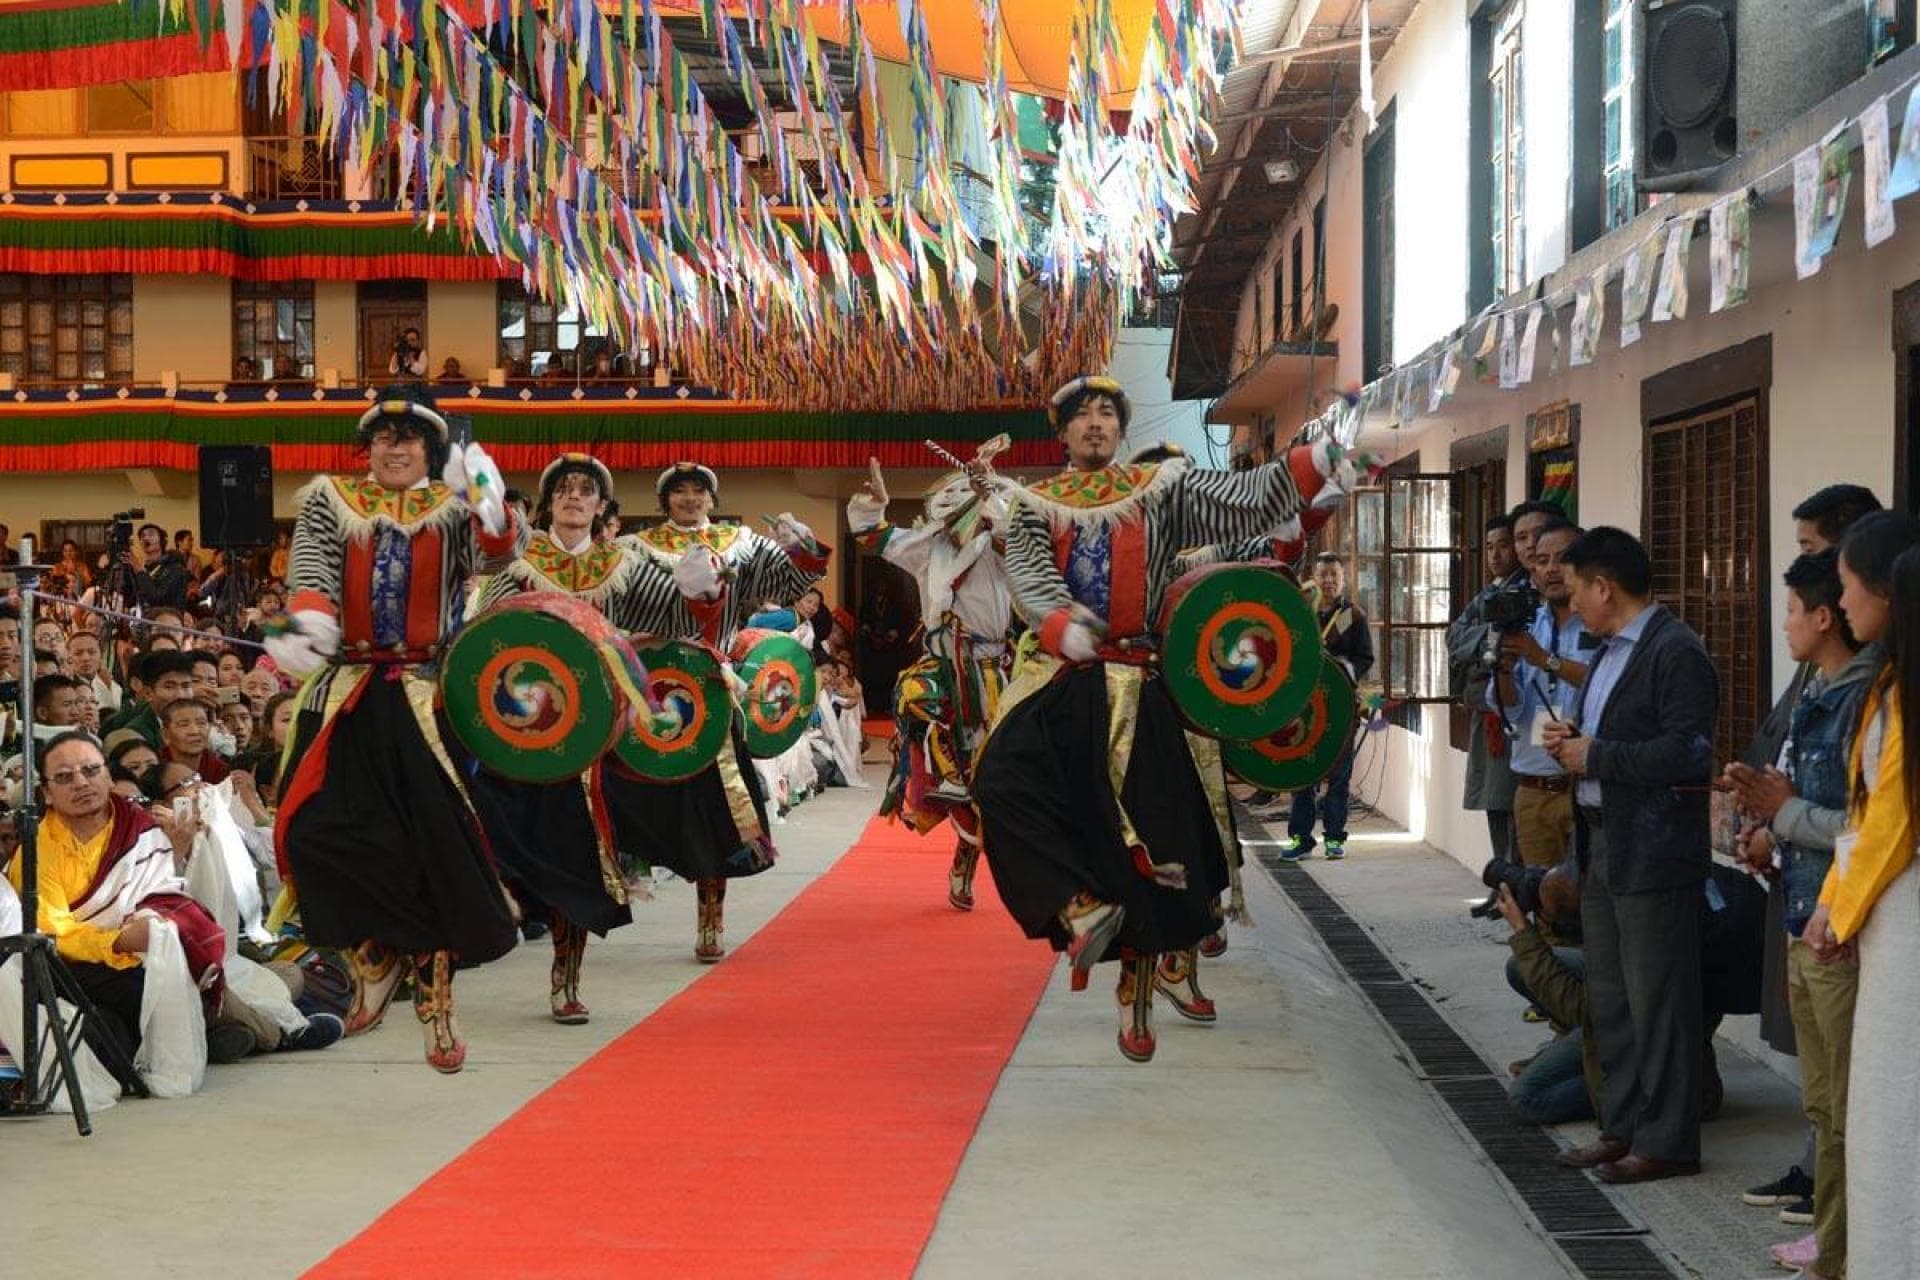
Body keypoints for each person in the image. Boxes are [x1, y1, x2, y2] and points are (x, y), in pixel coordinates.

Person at [971, 373, 1364, 1063]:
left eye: (1106, 413)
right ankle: (1075, 906)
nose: (1095, 423)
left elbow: (1239, 500)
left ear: (1119, 429)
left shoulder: (1162, 490)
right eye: (1081, 415)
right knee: (998, 779)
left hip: (1143, 680)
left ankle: (1142, 995)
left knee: (1161, 845)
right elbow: (1030, 575)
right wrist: (1058, 618)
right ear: (1061, 434)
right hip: (1064, 676)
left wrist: (1311, 463)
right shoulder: (1036, 504)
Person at [268, 386, 522, 1073]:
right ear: (367, 447)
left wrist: (493, 512)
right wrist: (308, 619)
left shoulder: (453, 505)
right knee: (312, 831)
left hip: (426, 696)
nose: (395, 446)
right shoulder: (330, 499)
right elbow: (311, 568)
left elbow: (499, 563)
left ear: (431, 451)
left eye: (410, 439)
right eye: (383, 436)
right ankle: (374, 960)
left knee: (432, 854)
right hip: (346, 692)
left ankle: (437, 1008)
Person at [467, 453, 685, 1022]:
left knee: (578, 859)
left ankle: (566, 978)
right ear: (548, 503)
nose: (573, 497)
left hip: (591, 738)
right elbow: (478, 633)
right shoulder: (518, 563)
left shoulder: (626, 565)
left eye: (585, 490)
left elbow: (673, 619)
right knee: (494, 830)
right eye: (563, 489)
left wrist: (700, 595)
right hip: (515, 728)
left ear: (601, 505)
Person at [1543, 527, 1717, 1185]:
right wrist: (1578, 744)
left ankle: (1668, 1140)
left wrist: (1599, 755)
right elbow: (1617, 740)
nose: (1573, 603)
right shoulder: (1611, 651)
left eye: (1577, 588)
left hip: (1654, 849)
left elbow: (1690, 751)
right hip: (1601, 839)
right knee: (1613, 999)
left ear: (1603, 586)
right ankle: (1622, 1127)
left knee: (1659, 1001)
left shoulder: (1676, 652)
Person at [1724, 548, 1876, 1279]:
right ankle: (1834, 1241)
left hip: (1837, 923)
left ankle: (1843, 1250)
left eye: (1793, 608)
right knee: (1820, 1101)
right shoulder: (1819, 687)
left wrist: (1782, 814)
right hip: (1803, 912)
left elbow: (1863, 826)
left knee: (1844, 1106)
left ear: (1825, 616)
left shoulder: (1864, 698)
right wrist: (1766, 815)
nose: (1783, 624)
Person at [611, 461, 829, 961]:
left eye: (698, 491)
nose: (690, 499)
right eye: (679, 491)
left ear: (712, 499)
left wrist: (801, 545)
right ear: (665, 501)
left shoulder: (741, 542)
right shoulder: (632, 549)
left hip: (713, 684)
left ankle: (711, 917)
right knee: (638, 791)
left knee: (717, 808)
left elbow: (795, 578)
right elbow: (600, 598)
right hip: (653, 691)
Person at [1802, 511, 1920, 1277]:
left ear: (1888, 591)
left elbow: (1891, 822)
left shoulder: (1902, 693)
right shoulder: (1889, 682)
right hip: (1884, 914)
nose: (1839, 604)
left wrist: (1834, 911)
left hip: (1904, 916)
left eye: (1846, 586)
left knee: (1895, 1110)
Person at [7, 733, 227, 1087]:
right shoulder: (36, 851)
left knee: (182, 957)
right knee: (141, 997)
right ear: (46, 793)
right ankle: (217, 1025)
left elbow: (166, 894)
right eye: (64, 777)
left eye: (91, 770)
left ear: (109, 777)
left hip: (140, 953)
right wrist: (119, 942)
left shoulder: (139, 827)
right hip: (73, 969)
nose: (81, 783)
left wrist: (180, 851)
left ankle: (214, 1022)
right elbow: (53, 934)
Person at [848, 455, 1015, 909]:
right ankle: (949, 782)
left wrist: (992, 497)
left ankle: (967, 857)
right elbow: (873, 535)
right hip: (944, 666)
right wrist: (873, 504)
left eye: (966, 496)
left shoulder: (1001, 544)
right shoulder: (930, 547)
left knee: (995, 775)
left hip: (996, 673)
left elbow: (1013, 536)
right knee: (915, 699)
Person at [1490, 521, 1591, 869]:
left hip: (1585, 788)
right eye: (1541, 560)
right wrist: (1503, 667)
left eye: (1562, 559)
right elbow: (1511, 708)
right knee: (1544, 902)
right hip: (1533, 789)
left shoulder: (1598, 621)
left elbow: (1613, 684)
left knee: (1589, 904)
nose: (1551, 569)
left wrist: (1545, 659)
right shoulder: (1526, 622)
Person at [1449, 513, 1525, 910]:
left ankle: (1514, 889)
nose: (1496, 554)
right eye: (1490, 546)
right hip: (1486, 709)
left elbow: (1512, 644)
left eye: (1504, 545)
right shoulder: (1488, 595)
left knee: (1511, 802)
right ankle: (1502, 886)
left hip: (1512, 714)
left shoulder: (1523, 595)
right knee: (1494, 802)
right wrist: (1488, 639)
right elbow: (1454, 637)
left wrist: (1483, 644)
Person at [1279, 552, 1375, 861]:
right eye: (1323, 575)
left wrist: (1341, 669)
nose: (1329, 581)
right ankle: (1300, 838)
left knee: (1339, 774)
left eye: (1335, 575)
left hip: (1341, 706)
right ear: (1314, 577)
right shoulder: (1301, 611)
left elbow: (1365, 658)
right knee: (1303, 773)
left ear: (1343, 579)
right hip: (1304, 708)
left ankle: (1334, 837)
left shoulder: (1352, 615)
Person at [158, 698, 230, 785]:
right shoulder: (156, 770)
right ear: (165, 734)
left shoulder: (221, 771)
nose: (195, 731)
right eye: (184, 725)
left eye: (201, 723)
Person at [132, 525, 189, 611]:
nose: (146, 538)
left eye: (151, 534)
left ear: (162, 540)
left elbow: (158, 599)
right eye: (142, 536)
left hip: (167, 620)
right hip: (144, 620)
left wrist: (140, 572)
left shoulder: (175, 567)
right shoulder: (143, 567)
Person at [65, 628, 120, 715]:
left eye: (92, 652)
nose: (85, 658)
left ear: (100, 656)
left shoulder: (110, 684)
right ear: (69, 658)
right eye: (78, 653)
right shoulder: (65, 689)